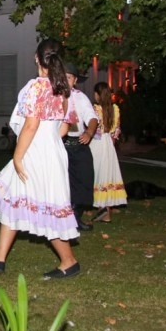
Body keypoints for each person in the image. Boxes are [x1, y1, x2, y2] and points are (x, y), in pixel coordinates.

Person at [0, 38, 80, 280]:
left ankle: (69, 260)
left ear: (36, 58)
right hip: (52, 149)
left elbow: (31, 125)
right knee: (15, 197)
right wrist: (49, 138)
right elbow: (64, 128)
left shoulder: (37, 87)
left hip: (34, 150)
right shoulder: (64, 89)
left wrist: (18, 157)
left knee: (41, 203)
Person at [61, 63, 99, 232]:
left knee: (84, 180)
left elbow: (92, 118)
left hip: (79, 145)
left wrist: (89, 133)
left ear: (75, 80)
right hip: (60, 146)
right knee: (63, 185)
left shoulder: (80, 97)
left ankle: (75, 217)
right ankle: (63, 221)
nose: (65, 80)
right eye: (63, 76)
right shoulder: (53, 97)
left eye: (69, 77)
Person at [90, 82, 128, 223]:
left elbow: (93, 129)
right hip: (108, 144)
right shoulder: (114, 109)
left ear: (98, 94)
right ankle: (105, 210)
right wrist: (111, 142)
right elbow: (116, 130)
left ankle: (101, 209)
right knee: (106, 175)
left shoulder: (95, 109)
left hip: (97, 143)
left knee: (98, 174)